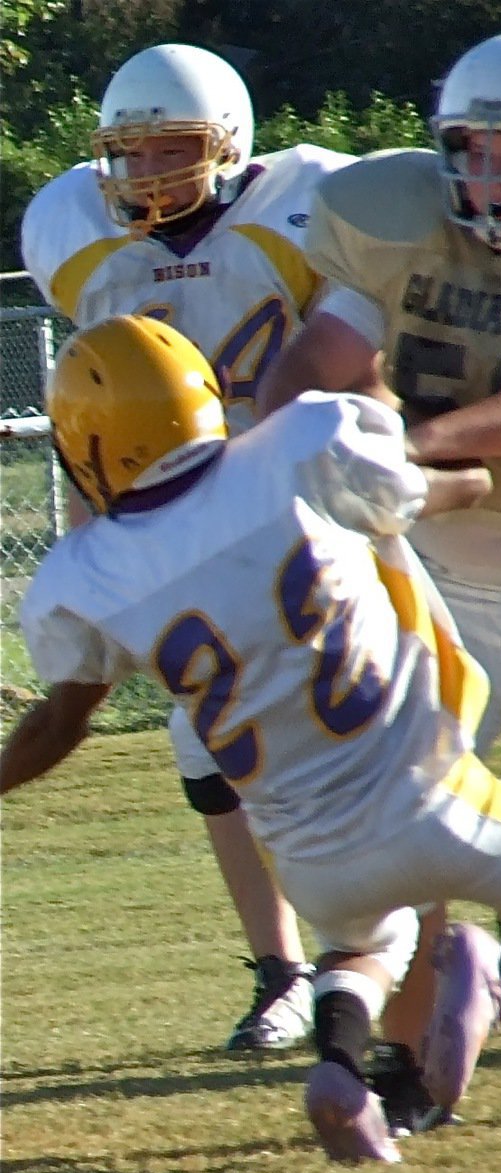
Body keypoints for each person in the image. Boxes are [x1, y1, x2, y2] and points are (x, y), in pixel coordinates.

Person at [1, 314, 501, 1167]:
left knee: (365, 944)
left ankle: (340, 1066)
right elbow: (452, 488)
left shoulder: (80, 577)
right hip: (434, 793)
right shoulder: (298, 445)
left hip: (307, 857)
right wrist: (461, 473)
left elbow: (58, 724)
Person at [256, 26, 501, 1080]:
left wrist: (402, 450)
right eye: (477, 150)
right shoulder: (392, 218)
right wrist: (274, 452)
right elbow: (316, 358)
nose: (495, 178)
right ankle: (398, 1064)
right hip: (436, 586)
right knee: (395, 834)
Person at [20, 40, 387, 1054]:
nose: (147, 174)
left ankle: (423, 941)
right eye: (130, 155)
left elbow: (358, 362)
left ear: (228, 143)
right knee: (204, 743)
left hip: (301, 507)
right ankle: (283, 971)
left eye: (172, 149)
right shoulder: (80, 240)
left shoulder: (303, 210)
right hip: (184, 525)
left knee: (377, 724)